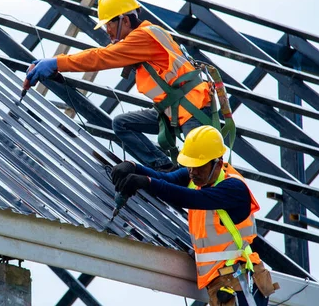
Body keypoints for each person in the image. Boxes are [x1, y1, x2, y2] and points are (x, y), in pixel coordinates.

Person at [25, 0, 211, 171]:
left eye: (109, 25)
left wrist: (57, 63)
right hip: (176, 109)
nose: (108, 31)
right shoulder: (151, 32)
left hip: (192, 109)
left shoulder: (143, 37)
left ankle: (187, 186)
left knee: (200, 170)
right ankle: (164, 169)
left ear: (125, 20)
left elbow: (100, 57)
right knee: (122, 123)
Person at [110, 125, 277, 306]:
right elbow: (167, 179)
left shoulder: (233, 188)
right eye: (190, 166)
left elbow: (191, 198)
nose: (193, 172)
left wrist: (146, 182)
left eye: (199, 167)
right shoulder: (196, 176)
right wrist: (133, 168)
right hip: (224, 282)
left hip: (238, 281)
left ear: (218, 163)